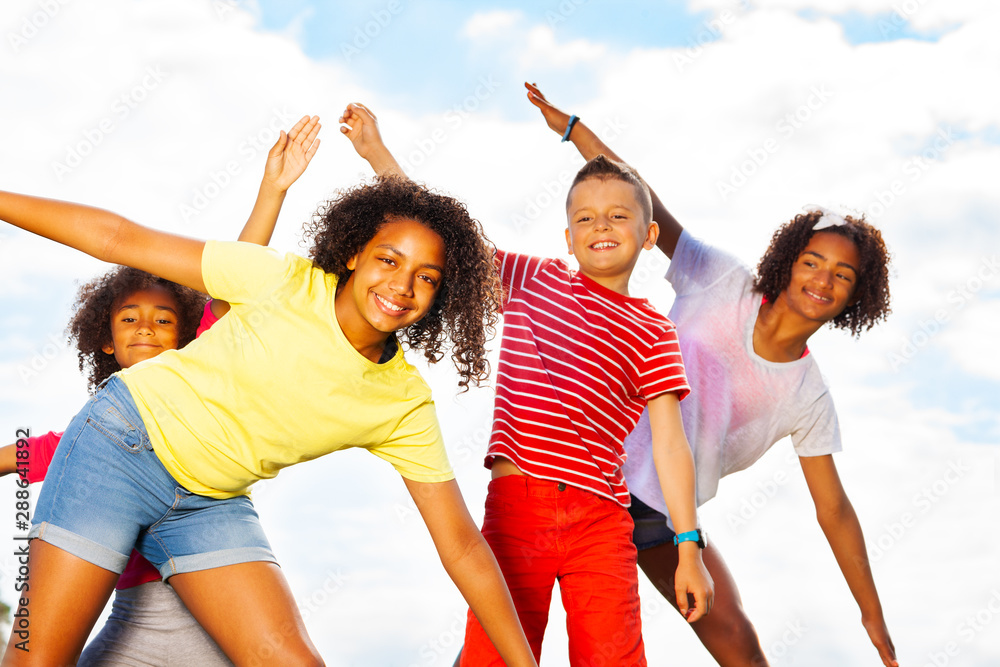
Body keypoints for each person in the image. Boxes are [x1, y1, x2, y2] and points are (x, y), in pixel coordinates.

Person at [0, 111, 536, 666]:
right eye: (388, 259)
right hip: (120, 444)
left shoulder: (401, 404)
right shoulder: (281, 281)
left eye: (427, 277)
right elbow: (118, 238)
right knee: (38, 659)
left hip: (207, 501)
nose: (403, 285)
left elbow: (464, 547)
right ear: (353, 255)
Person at [524, 82, 898, 667]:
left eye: (842, 276)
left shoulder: (808, 396)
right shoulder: (723, 280)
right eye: (811, 263)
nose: (822, 281)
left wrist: (871, 616)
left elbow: (836, 512)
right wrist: (574, 131)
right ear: (788, 262)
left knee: (740, 646)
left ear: (857, 295)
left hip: (661, 513)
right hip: (583, 465)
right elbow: (646, 201)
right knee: (512, 627)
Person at [338, 102, 713, 667]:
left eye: (617, 216)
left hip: (602, 520)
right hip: (518, 506)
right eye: (585, 218)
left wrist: (689, 547)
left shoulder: (654, 330)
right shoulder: (533, 279)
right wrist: (377, 155)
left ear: (649, 233)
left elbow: (670, 443)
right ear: (567, 236)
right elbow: (445, 239)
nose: (601, 226)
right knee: (495, 654)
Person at [0, 113, 320, 666]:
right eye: (129, 320)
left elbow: (233, 279)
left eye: (163, 321)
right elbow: (22, 455)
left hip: (217, 613)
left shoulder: (202, 363)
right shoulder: (94, 440)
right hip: (133, 622)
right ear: (105, 341)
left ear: (188, 338)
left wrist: (272, 190)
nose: (146, 327)